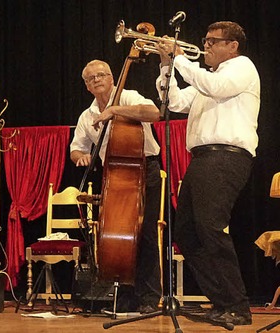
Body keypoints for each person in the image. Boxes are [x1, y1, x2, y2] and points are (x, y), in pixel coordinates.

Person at [154, 21, 259, 326]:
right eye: (206, 40)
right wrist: (166, 67)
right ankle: (222, 302)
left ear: (232, 46)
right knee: (186, 232)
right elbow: (173, 102)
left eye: (214, 42)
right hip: (202, 159)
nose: (206, 47)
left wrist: (180, 58)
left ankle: (238, 305)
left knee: (211, 228)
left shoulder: (242, 67)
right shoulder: (207, 79)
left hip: (226, 157)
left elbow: (214, 88)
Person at [70, 59, 162, 313]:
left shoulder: (129, 96)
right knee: (116, 236)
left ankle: (149, 298)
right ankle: (124, 293)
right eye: (91, 78)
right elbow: (76, 148)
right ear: (87, 86)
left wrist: (116, 110)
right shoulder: (86, 115)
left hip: (145, 170)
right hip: (112, 174)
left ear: (112, 78)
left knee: (144, 234)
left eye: (102, 75)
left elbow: (154, 113)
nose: (97, 79)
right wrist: (81, 157)